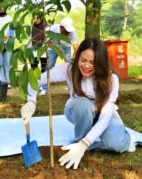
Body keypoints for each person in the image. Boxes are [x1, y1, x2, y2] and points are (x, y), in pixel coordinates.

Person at [21, 38, 136, 170]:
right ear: (77, 57)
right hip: (78, 109)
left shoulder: (111, 79)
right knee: (83, 105)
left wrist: (84, 144)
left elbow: (105, 117)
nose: (87, 66)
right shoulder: (69, 69)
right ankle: (79, 140)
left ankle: (83, 145)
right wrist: (31, 101)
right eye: (83, 60)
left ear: (101, 62)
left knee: (117, 145)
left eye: (93, 62)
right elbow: (35, 80)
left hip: (102, 112)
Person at [40, 17, 79, 95]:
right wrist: (48, 44)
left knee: (70, 68)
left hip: (66, 48)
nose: (68, 32)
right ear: (61, 27)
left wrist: (75, 58)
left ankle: (72, 89)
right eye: (66, 30)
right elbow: (45, 39)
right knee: (49, 67)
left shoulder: (72, 32)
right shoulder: (53, 29)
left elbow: (76, 47)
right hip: (53, 48)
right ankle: (44, 88)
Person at [0, 4, 14, 85]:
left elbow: (12, 31)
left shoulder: (10, 19)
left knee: (8, 62)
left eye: (2, 7)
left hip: (8, 43)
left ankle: (8, 81)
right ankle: (0, 80)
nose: (1, 9)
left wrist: (6, 38)